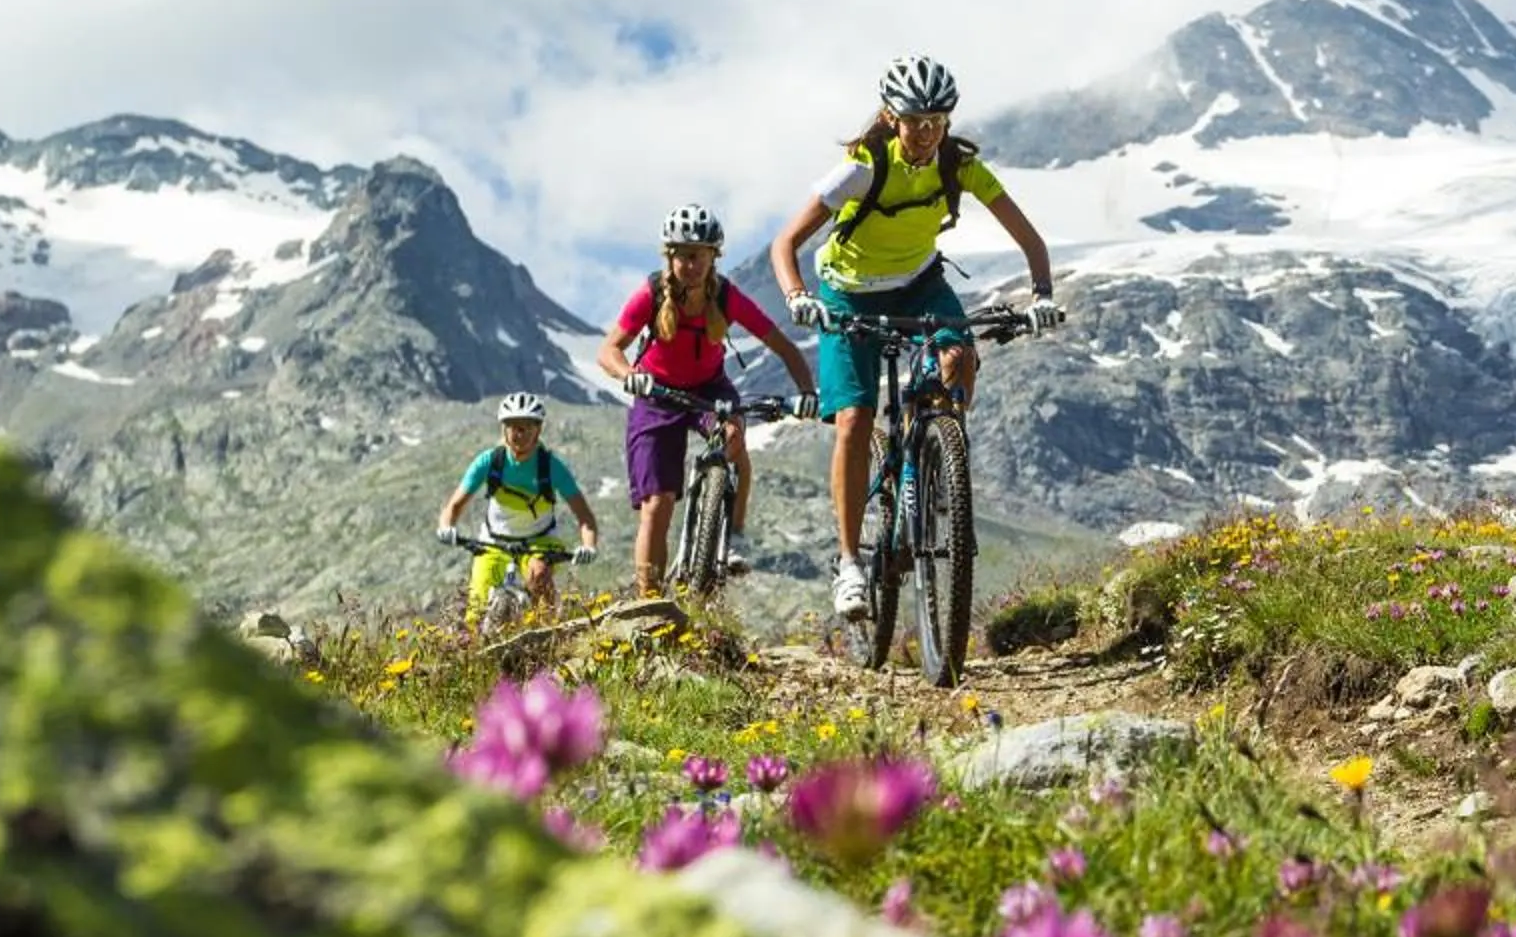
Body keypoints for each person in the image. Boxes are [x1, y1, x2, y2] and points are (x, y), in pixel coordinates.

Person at [769, 55, 1062, 619]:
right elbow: (785, 244)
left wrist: (1043, 296)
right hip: (847, 291)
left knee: (959, 355)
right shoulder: (861, 167)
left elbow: (1030, 239)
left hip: (919, 284)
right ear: (890, 116)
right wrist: (797, 298)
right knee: (854, 420)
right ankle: (851, 564)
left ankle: (935, 448)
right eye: (915, 120)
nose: (927, 132)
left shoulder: (960, 164)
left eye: (937, 120)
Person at [595, 203, 820, 596]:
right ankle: (647, 601)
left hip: (708, 389)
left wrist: (807, 394)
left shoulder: (726, 297)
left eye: (699, 255)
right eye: (683, 255)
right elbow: (609, 350)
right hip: (657, 395)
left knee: (734, 438)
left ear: (713, 257)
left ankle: (734, 536)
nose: (691, 264)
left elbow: (784, 346)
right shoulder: (649, 295)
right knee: (657, 504)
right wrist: (629, 376)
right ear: (670, 256)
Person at [435, 392, 600, 629]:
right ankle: (475, 657)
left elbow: (585, 517)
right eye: (512, 427)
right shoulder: (489, 462)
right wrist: (446, 526)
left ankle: (548, 637)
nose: (518, 434)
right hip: (493, 540)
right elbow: (454, 506)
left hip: (540, 540)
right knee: (476, 612)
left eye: (526, 428)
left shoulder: (551, 467)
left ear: (538, 430)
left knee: (538, 575)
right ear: (504, 429)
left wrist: (588, 546)